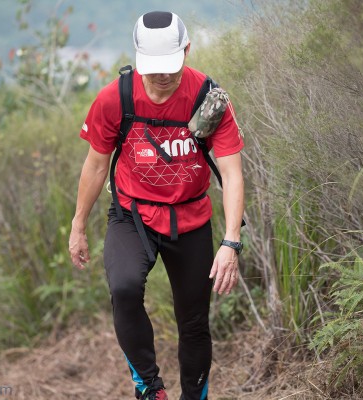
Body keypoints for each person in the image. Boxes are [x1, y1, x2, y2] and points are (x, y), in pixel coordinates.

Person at [69, 10, 244, 400]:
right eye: (153, 67)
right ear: (137, 56)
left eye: (170, 65)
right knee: (124, 288)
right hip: (133, 215)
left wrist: (231, 241)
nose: (162, 76)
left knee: (194, 322)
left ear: (187, 50)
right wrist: (78, 224)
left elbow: (232, 173)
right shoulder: (116, 98)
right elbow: (96, 165)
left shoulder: (207, 98)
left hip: (191, 218)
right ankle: (149, 387)